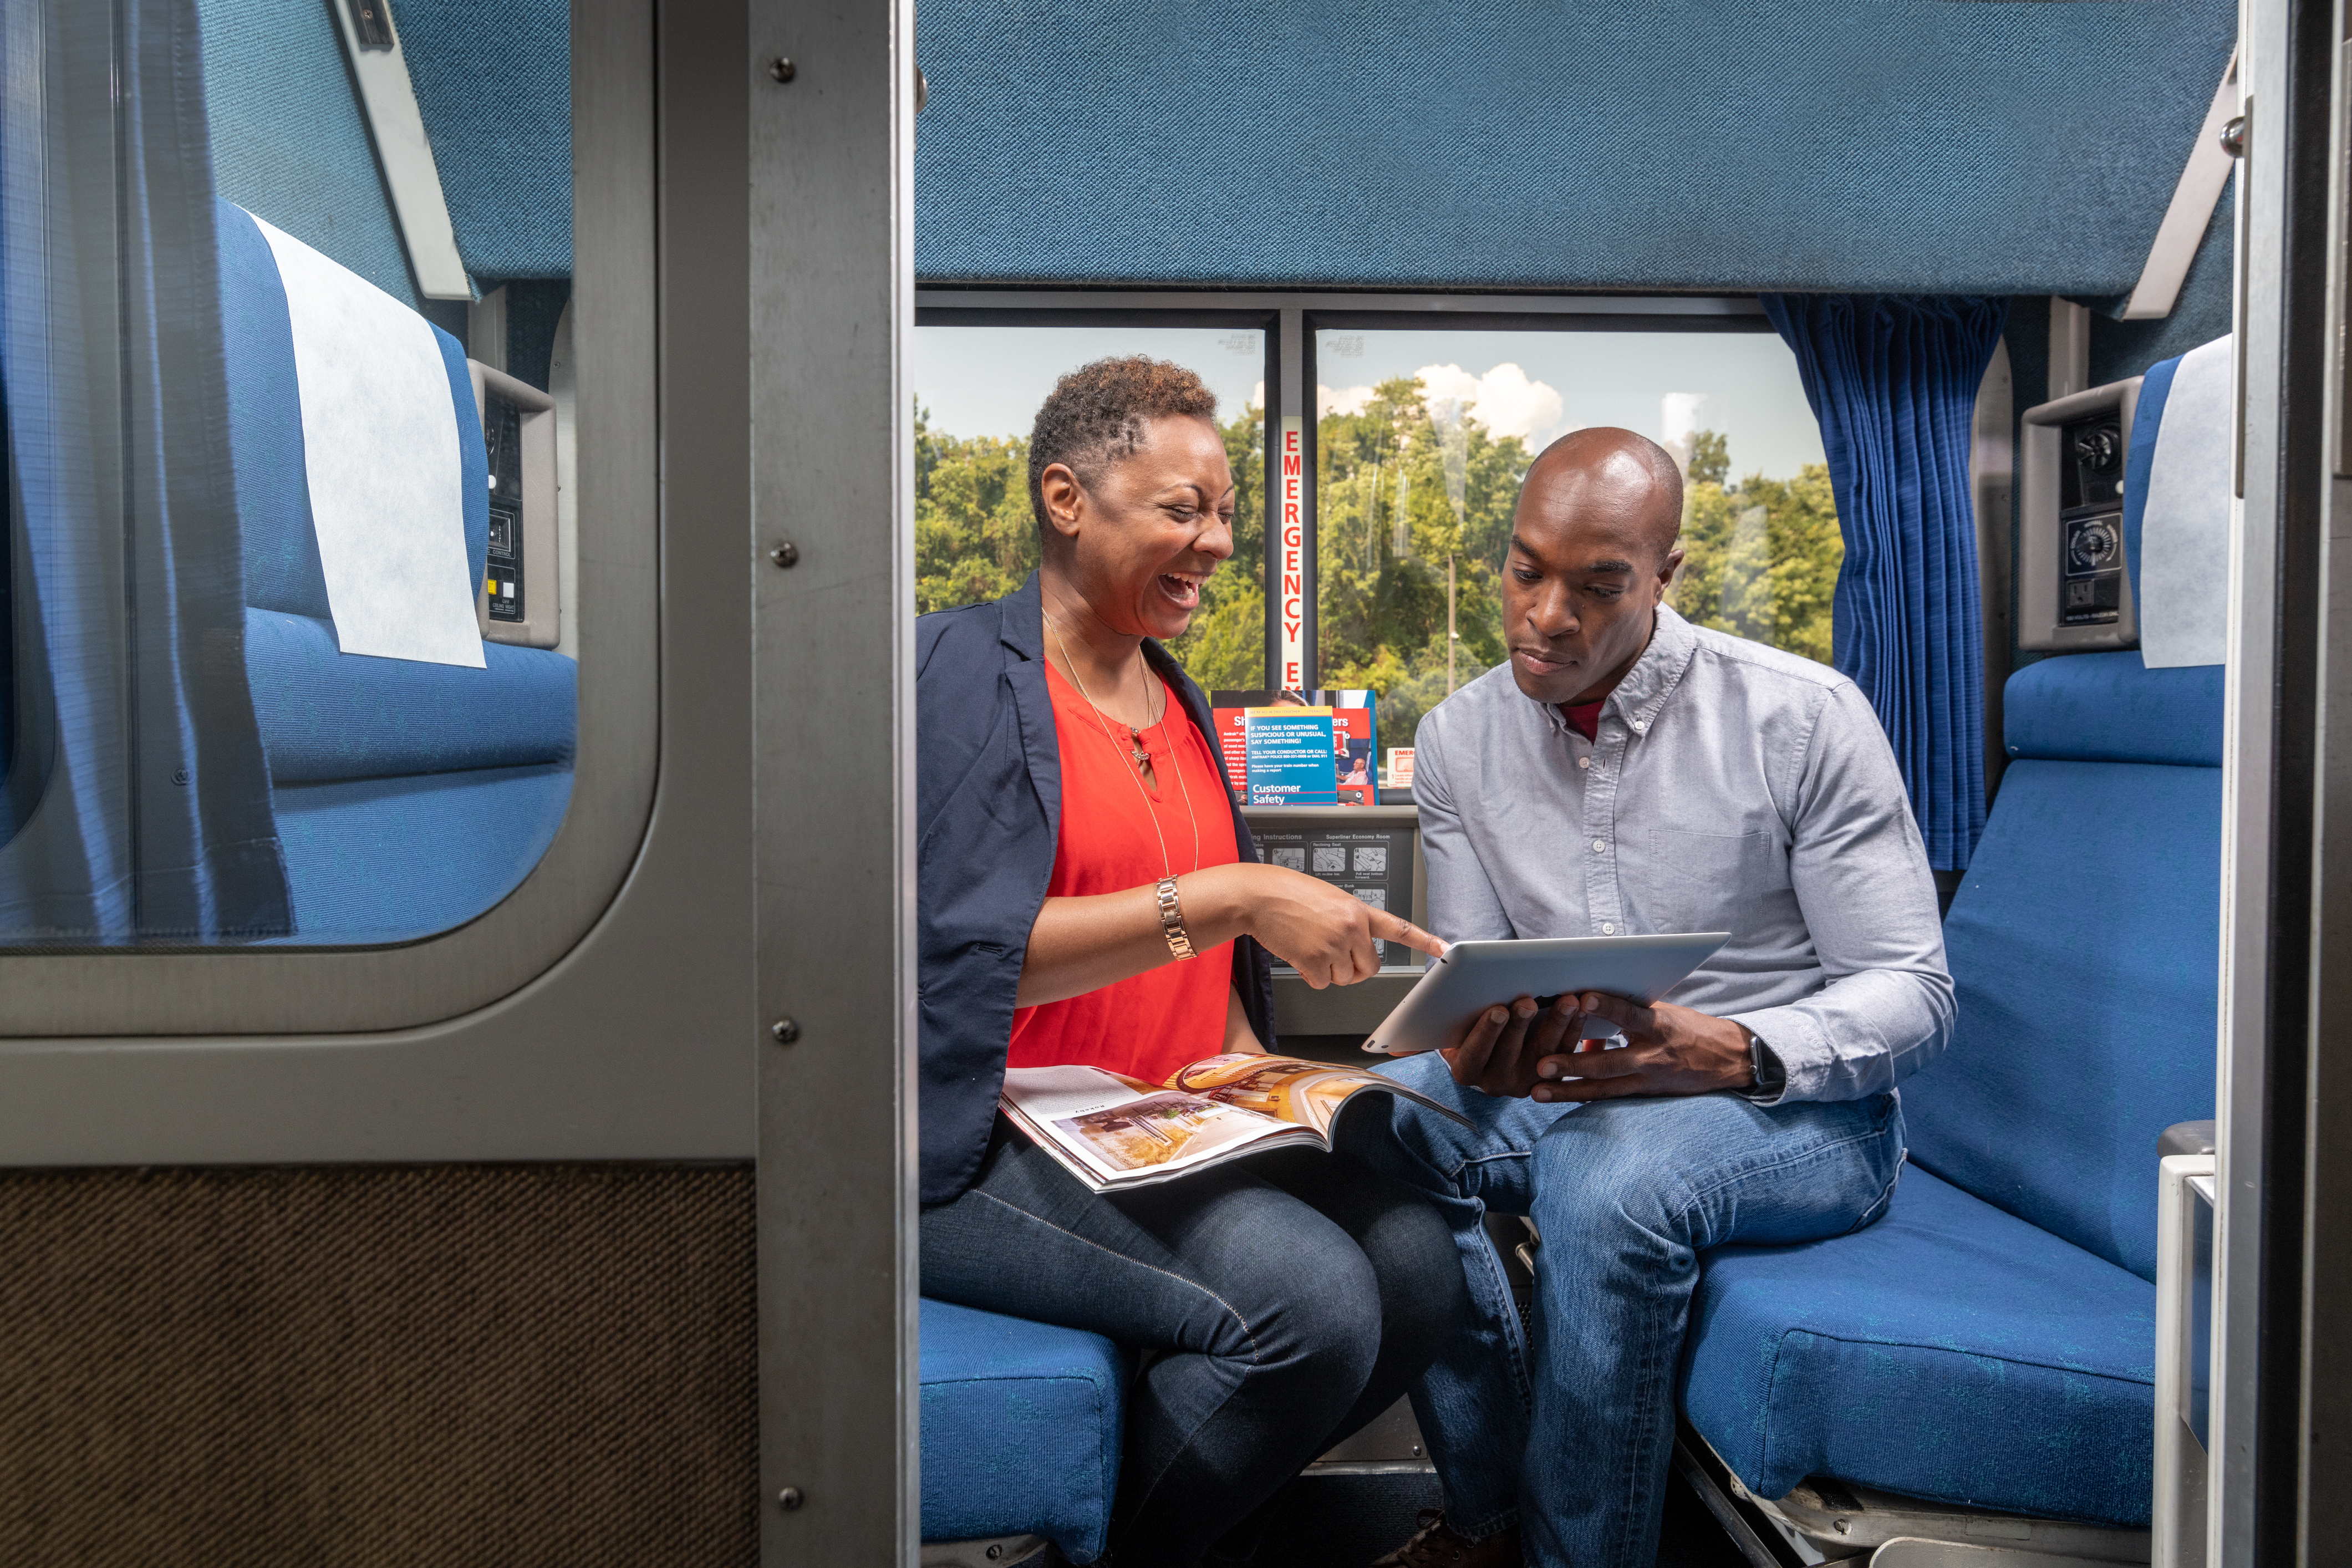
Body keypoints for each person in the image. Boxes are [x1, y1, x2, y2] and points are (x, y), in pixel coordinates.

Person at [1347, 429, 1954, 1568]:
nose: (1548, 615)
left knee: (1604, 1173)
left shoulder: (1805, 718)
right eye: (1527, 569)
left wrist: (1723, 1047)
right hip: (1578, 1083)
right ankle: (1492, 1517)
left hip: (1803, 1115)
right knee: (1379, 1123)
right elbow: (1481, 966)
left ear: (1666, 576)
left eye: (1598, 586)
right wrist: (1482, 1044)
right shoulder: (1459, 740)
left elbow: (1917, 995)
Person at [917, 355, 1468, 1568]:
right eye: (1182, 509)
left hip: (1155, 1122)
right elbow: (956, 963)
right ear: (1066, 499)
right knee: (1310, 1303)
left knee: (1424, 1265)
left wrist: (1278, 1084)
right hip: (981, 1136)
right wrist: (1229, 896)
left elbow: (1208, 989)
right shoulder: (957, 673)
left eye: (1225, 513)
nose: (1219, 540)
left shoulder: (1171, 697)